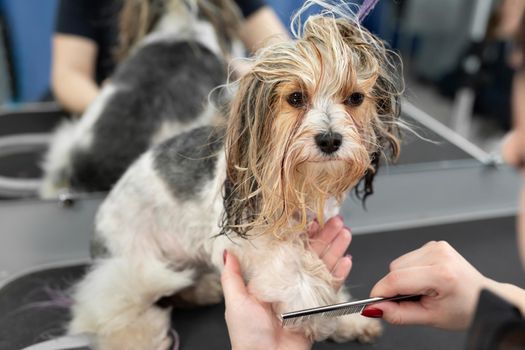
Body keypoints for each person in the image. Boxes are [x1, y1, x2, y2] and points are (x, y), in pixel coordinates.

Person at [51, 0, 288, 114]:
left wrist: (238, 72)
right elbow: (69, 75)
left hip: (207, 118)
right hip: (127, 121)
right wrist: (112, 108)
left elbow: (283, 57)